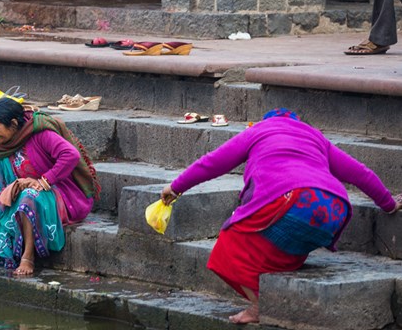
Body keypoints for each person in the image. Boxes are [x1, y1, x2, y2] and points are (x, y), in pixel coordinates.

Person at [160, 108, 402, 324]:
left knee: (228, 243)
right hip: (333, 209)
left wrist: (176, 186)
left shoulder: (258, 131)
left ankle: (257, 306)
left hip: (291, 199)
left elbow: (212, 163)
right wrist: (388, 204)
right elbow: (361, 173)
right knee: (286, 250)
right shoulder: (314, 136)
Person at [0, 98, 100, 276]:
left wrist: (43, 181)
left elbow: (70, 155)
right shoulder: (0, 145)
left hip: (58, 194)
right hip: (24, 191)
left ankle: (27, 256)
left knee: (28, 197)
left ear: (13, 124)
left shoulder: (40, 133)